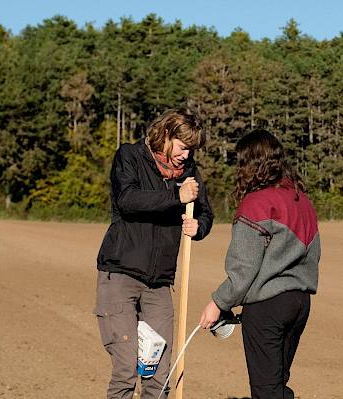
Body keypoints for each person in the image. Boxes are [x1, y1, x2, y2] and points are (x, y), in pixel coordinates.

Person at [94, 106, 213, 399]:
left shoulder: (190, 173)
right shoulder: (130, 156)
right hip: (120, 275)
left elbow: (206, 213)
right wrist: (176, 195)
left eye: (192, 149)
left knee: (159, 378)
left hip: (159, 284)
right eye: (184, 147)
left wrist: (198, 226)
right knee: (125, 372)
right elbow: (127, 200)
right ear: (167, 135)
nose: (187, 155)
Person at [199, 129, 320, 399]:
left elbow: (244, 268)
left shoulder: (256, 204)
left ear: (251, 164)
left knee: (266, 392)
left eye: (242, 162)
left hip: (267, 309)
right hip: (300, 304)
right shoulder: (301, 199)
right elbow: (314, 254)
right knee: (277, 384)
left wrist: (218, 303)